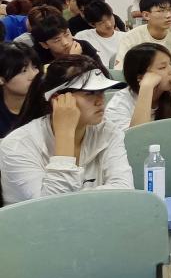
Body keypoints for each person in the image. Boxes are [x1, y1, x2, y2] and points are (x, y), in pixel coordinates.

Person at [0, 55, 130, 203]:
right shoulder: (17, 145)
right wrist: (65, 133)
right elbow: (53, 207)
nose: (101, 101)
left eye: (102, 91)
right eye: (90, 93)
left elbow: (124, 190)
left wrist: (78, 197)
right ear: (57, 99)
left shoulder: (108, 131)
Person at [104, 43, 171, 130]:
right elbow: (137, 138)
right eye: (162, 67)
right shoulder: (120, 103)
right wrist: (146, 88)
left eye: (170, 64)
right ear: (140, 77)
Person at [31, 12, 105, 70]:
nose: (65, 43)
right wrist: (72, 59)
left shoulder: (83, 46)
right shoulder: (35, 57)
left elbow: (102, 73)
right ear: (44, 44)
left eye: (66, 34)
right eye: (57, 40)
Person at [0, 42, 40, 138]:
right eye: (24, 71)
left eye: (34, 67)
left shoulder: (48, 103)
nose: (34, 75)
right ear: (1, 79)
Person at [74, 0, 125, 69]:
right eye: (102, 22)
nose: (109, 25)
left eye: (110, 18)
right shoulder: (83, 37)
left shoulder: (125, 37)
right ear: (91, 24)